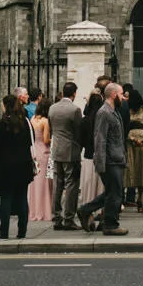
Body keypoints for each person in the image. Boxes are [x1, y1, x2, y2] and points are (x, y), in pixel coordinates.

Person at [76, 82, 128, 235]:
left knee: (113, 192)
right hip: (109, 160)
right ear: (113, 95)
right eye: (121, 94)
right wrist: (100, 163)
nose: (123, 97)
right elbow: (100, 139)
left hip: (116, 158)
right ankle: (110, 225)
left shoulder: (114, 111)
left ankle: (86, 210)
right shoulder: (104, 112)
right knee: (115, 193)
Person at [0, 93, 36, 239]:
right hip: (23, 164)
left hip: (5, 166)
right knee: (22, 197)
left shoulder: (2, 124)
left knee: (6, 198)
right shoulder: (25, 123)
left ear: (5, 106)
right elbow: (30, 143)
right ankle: (22, 232)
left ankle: (4, 232)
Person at [47, 82, 83, 230]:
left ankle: (56, 217)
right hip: (70, 151)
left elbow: (51, 128)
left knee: (58, 184)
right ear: (74, 93)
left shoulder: (52, 108)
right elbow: (78, 132)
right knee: (71, 185)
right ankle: (68, 218)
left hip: (56, 150)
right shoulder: (75, 110)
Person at [123, 87, 143, 213]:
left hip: (141, 140)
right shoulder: (127, 110)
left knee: (141, 169)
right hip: (130, 140)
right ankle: (126, 198)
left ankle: (140, 199)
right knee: (129, 169)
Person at [28, 90, 54, 221]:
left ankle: (34, 210)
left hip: (34, 150)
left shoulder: (32, 119)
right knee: (44, 182)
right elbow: (46, 140)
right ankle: (44, 210)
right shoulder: (45, 121)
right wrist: (53, 139)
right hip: (44, 151)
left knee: (35, 182)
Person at [78, 89, 104, 208]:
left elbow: (80, 140)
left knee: (88, 184)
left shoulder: (85, 120)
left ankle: (87, 206)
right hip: (102, 156)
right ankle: (99, 208)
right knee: (100, 185)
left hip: (88, 155)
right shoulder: (103, 119)